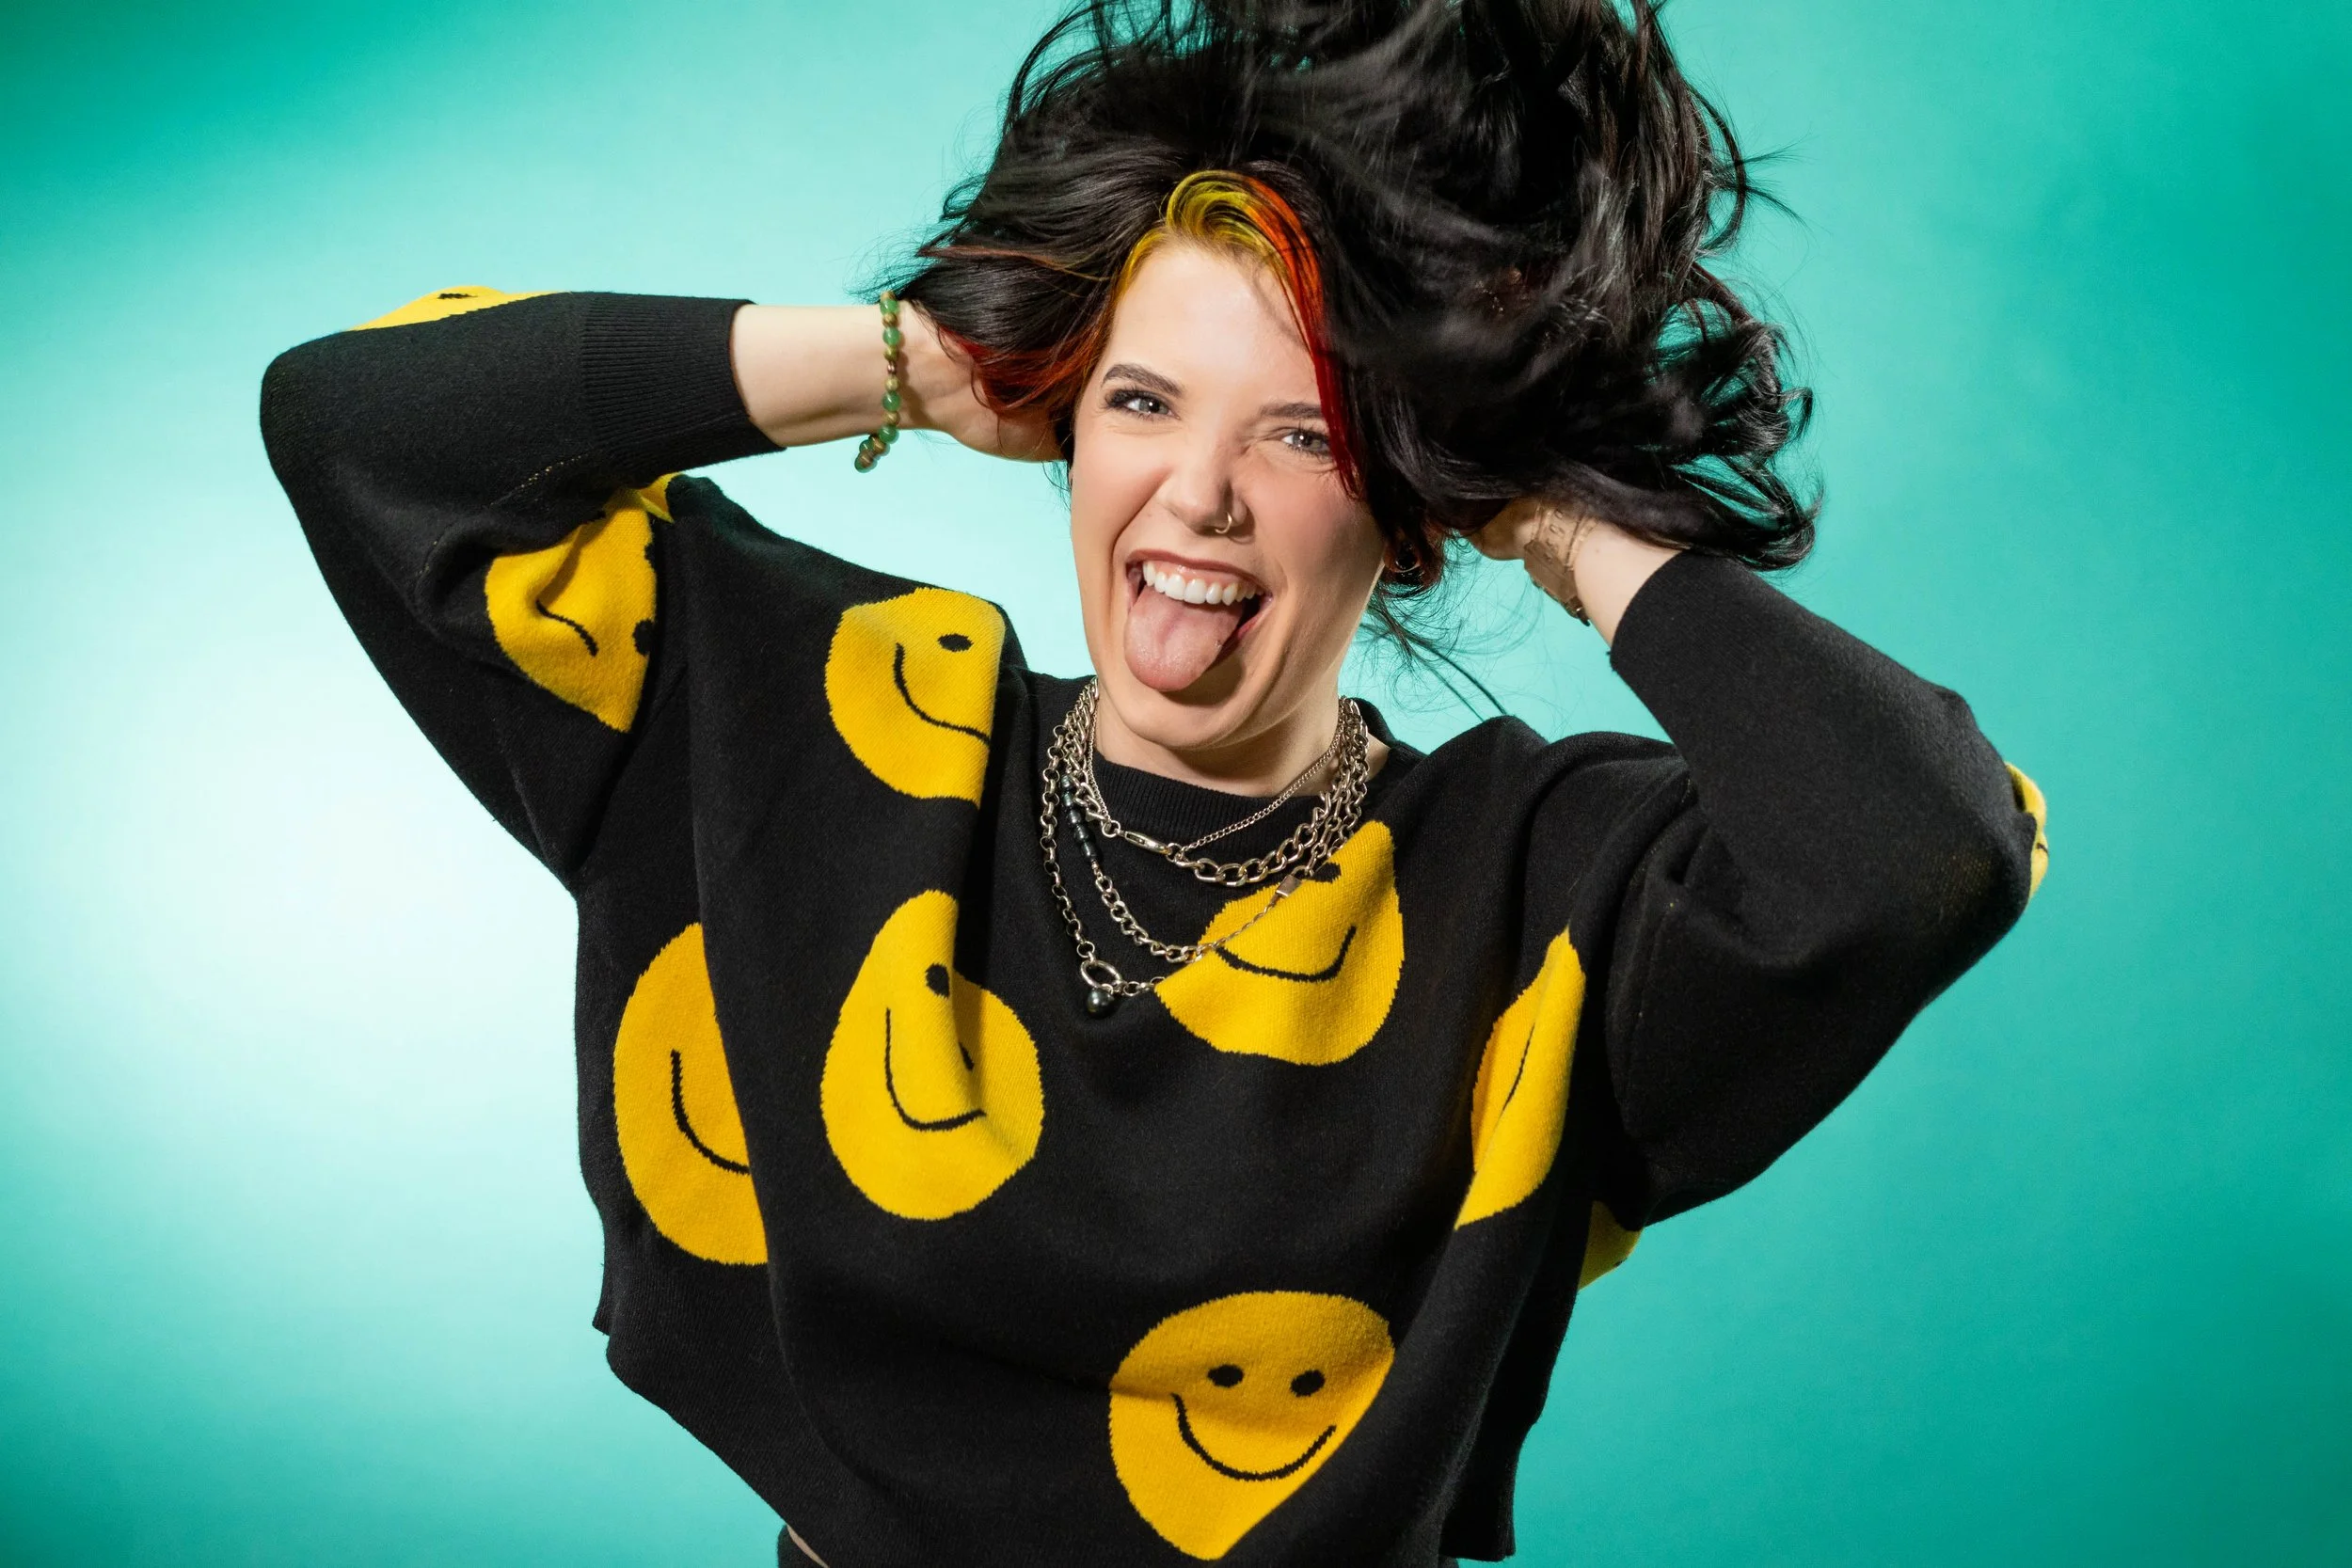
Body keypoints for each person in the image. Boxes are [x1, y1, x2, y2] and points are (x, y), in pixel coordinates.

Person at [260, 2, 2049, 1563]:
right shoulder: (824, 724)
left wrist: (1536, 493)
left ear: (1405, 510)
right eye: (1141, 401)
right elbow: (362, 425)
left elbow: (1923, 847)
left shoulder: (1534, 884)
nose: (1199, 491)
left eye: (1304, 431)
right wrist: (926, 354)